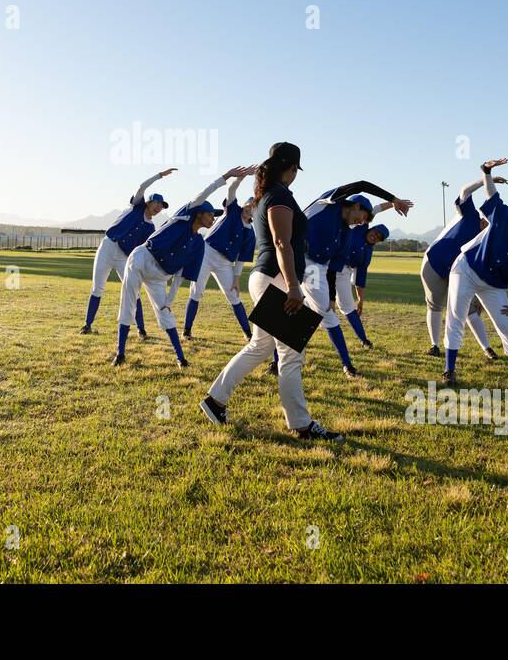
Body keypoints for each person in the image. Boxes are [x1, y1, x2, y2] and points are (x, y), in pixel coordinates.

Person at [202, 143, 369, 442]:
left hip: (267, 277)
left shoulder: (268, 194)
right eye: (295, 170)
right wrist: (293, 285)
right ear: (290, 168)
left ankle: (215, 401)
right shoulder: (279, 195)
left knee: (260, 347)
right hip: (275, 280)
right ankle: (302, 426)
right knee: (291, 355)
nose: (295, 176)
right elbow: (282, 243)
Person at [112, 166, 255, 367]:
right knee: (128, 304)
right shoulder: (186, 215)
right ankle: (120, 354)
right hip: (142, 259)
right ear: (199, 214)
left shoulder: (198, 245)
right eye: (209, 215)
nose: (213, 219)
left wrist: (169, 300)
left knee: (166, 314)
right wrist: (226, 177)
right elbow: (205, 192)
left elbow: (180, 275)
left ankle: (181, 359)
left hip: (160, 275)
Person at [442, 158, 508, 388]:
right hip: (467, 268)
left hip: (493, 285)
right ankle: (449, 371)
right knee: (457, 317)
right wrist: (486, 172)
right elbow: (493, 196)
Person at [303, 187, 412, 377]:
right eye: (375, 232)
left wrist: (338, 297)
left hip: (320, 269)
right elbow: (366, 194)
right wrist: (394, 200)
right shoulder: (336, 207)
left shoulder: (349, 235)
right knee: (310, 312)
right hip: (296, 259)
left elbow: (344, 272)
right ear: (355, 206)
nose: (362, 222)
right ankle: (346, 365)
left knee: (317, 311)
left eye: (379, 238)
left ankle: (349, 357)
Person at [421, 174, 508, 361]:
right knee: (435, 305)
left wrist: (479, 295)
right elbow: (465, 191)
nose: (488, 222)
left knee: (469, 311)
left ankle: (487, 348)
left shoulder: (488, 239)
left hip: (458, 272)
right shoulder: (470, 216)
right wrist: (485, 180)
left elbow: (482, 269)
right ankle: (434, 346)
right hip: (434, 264)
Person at [81, 168, 176, 336]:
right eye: (157, 203)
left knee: (133, 291)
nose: (159, 207)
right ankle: (87, 325)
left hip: (124, 257)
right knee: (97, 288)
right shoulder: (137, 206)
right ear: (148, 202)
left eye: (162, 206)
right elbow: (142, 186)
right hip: (108, 247)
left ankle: (141, 329)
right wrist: (160, 176)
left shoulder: (150, 228)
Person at [183, 182, 255, 340]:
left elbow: (241, 260)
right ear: (244, 205)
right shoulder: (232, 210)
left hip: (225, 263)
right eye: (249, 204)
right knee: (196, 291)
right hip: (207, 252)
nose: (251, 208)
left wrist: (236, 279)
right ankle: (187, 330)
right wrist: (240, 178)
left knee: (234, 295)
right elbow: (231, 189)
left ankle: (248, 334)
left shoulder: (250, 233)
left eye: (255, 207)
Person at [328, 220, 390, 350]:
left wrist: (361, 299)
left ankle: (364, 339)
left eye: (379, 237)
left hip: (343, 272)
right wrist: (392, 202)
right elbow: (373, 210)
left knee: (349, 307)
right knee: (311, 306)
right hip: (325, 266)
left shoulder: (367, 252)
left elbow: (359, 278)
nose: (375, 236)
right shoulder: (360, 228)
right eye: (375, 232)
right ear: (370, 229)